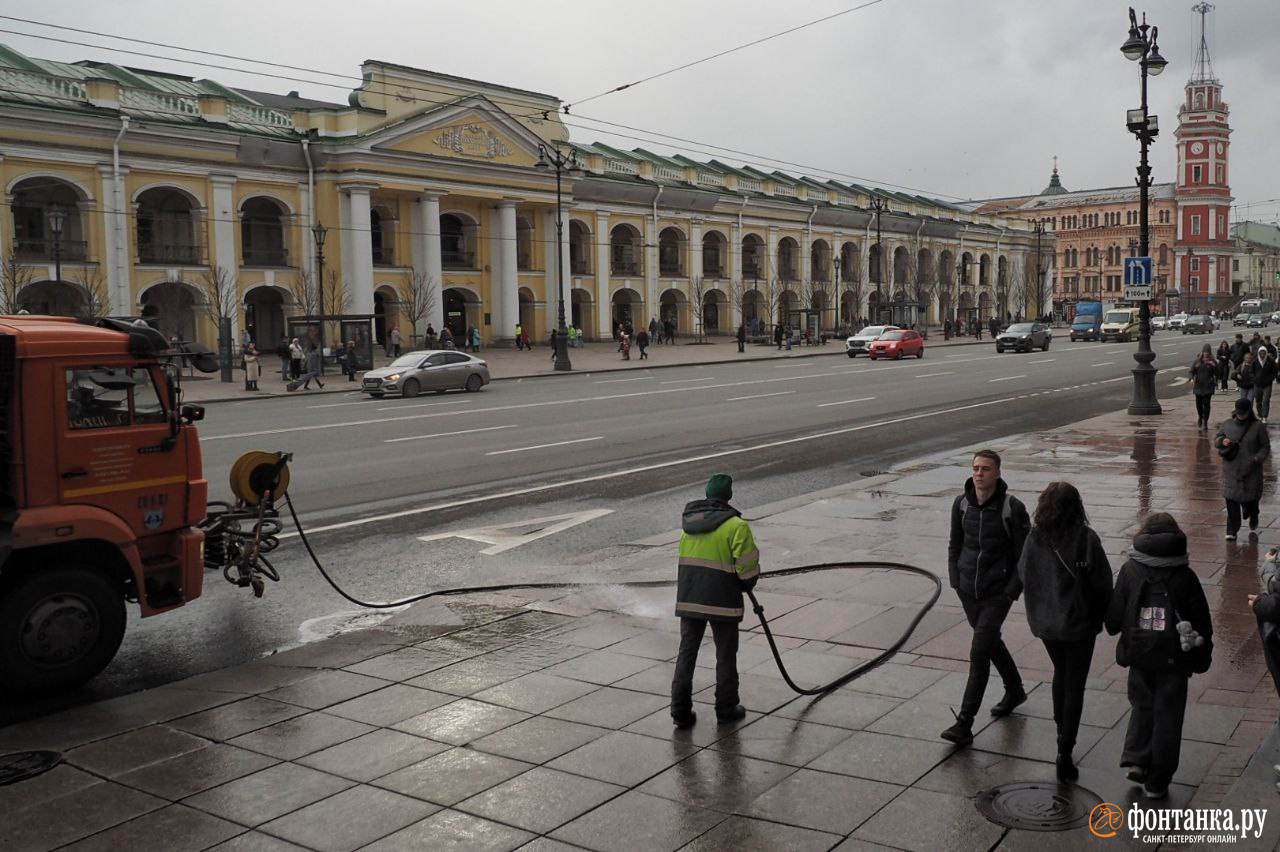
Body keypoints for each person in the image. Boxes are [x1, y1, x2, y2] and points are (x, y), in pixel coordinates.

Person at [1104, 513, 1212, 800]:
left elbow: (1115, 614)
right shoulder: (1185, 575)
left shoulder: (1130, 570)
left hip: (1139, 653)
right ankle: (1158, 781)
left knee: (1141, 705)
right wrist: (1202, 656)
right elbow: (1201, 617)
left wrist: (1114, 626)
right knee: (1169, 716)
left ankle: (1138, 760)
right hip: (1174, 657)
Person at [1017, 482, 1113, 781]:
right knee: (1075, 682)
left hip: (1045, 623)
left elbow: (1023, 573)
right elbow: (1102, 583)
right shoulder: (1085, 537)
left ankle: (1061, 727)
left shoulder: (1035, 537)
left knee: (1061, 671)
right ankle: (1064, 747)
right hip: (1079, 623)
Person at [941, 448, 1031, 747]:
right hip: (968, 589)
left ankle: (964, 723)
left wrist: (1009, 593)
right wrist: (955, 580)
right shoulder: (961, 504)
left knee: (979, 652)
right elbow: (955, 544)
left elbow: (1024, 557)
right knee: (990, 642)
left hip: (996, 593)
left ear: (998, 473)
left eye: (986, 469)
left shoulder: (1012, 508)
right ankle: (1015, 689)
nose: (979, 473)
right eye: (976, 468)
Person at [670, 473, 759, 728]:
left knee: (686, 653)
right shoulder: (736, 526)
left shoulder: (689, 526)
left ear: (707, 493)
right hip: (723, 600)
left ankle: (680, 711)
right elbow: (748, 570)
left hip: (689, 599)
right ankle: (726, 707)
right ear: (728, 496)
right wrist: (747, 583)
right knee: (725, 654)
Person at [1215, 397, 1270, 541]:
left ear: (1248, 412)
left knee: (1250, 500)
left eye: (1243, 413)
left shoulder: (1258, 427)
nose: (1240, 415)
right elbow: (1217, 439)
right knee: (1231, 499)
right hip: (1231, 468)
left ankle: (1253, 514)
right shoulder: (1227, 424)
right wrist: (1222, 440)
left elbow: (1265, 446)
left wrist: (1257, 458)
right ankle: (1232, 530)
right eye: (1238, 412)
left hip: (1251, 470)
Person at [1190, 344, 1218, 431]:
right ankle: (1200, 417)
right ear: (1202, 352)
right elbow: (1191, 371)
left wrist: (1214, 365)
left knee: (1206, 405)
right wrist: (1191, 378)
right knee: (1198, 405)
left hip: (1208, 386)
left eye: (1208, 353)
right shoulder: (1197, 361)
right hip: (1198, 386)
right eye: (1205, 352)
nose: (1206, 354)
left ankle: (1205, 422)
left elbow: (1218, 373)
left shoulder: (1213, 361)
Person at [1256, 345, 1276, 423]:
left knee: (1266, 400)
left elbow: (1274, 371)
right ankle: (1260, 414)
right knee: (1258, 401)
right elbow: (1251, 371)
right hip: (1257, 385)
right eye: (1261, 353)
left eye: (1264, 353)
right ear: (1258, 353)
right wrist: (1254, 379)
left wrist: (1270, 379)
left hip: (1267, 384)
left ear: (1266, 353)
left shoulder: (1270, 361)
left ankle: (1265, 416)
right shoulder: (1255, 361)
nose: (1262, 355)